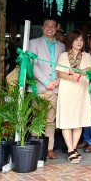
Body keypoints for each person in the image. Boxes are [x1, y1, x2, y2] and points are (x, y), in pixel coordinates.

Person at [28, 18, 66, 160]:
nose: (50, 28)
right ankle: (36, 146)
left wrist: (57, 81)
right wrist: (46, 81)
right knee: (37, 119)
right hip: (39, 87)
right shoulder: (33, 43)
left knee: (51, 120)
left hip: (55, 88)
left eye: (53, 26)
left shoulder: (61, 46)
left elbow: (63, 67)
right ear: (42, 27)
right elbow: (32, 65)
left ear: (56, 28)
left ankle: (49, 148)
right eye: (47, 26)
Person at [56, 29, 91, 164]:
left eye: (81, 40)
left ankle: (73, 148)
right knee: (67, 119)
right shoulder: (64, 55)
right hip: (67, 89)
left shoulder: (87, 56)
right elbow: (60, 73)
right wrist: (71, 77)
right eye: (76, 39)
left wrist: (78, 71)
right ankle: (71, 150)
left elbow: (89, 70)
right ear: (70, 41)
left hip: (82, 90)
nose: (79, 42)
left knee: (79, 119)